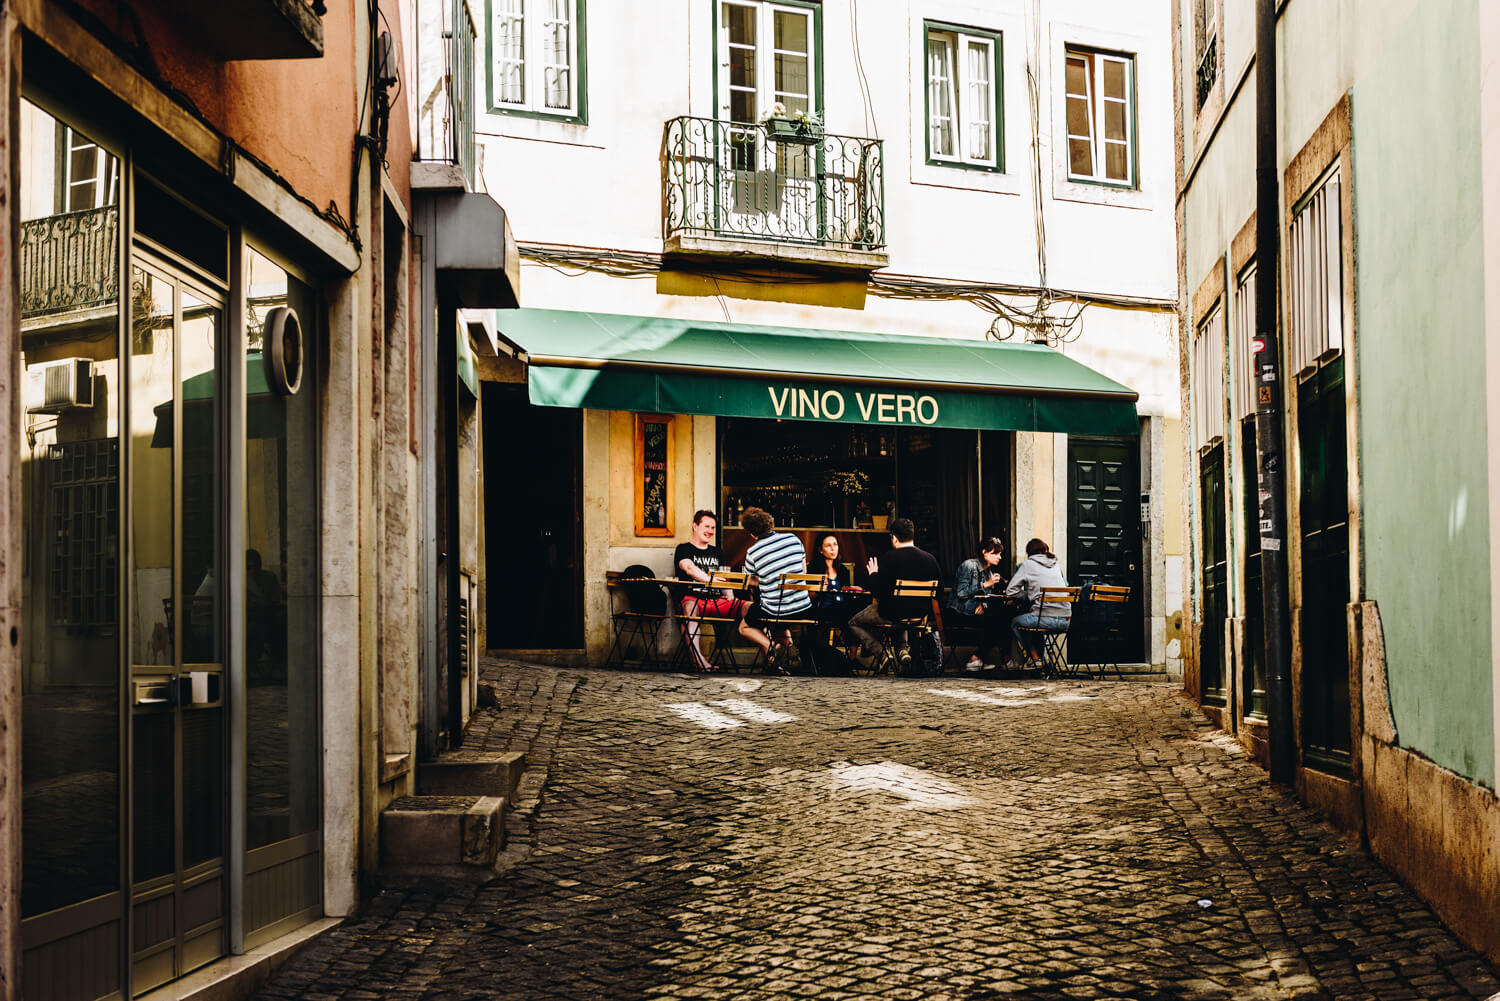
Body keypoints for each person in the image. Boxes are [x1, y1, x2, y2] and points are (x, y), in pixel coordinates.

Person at [847, 517, 942, 672]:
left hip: (893, 614)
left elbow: (879, 593)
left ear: (894, 538)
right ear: (912, 535)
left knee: (853, 623)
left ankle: (882, 654)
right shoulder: (931, 559)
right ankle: (902, 652)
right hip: (919, 616)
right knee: (900, 612)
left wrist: (873, 575)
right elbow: (939, 592)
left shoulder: (890, 557)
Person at [738, 506, 811, 671]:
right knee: (780, 623)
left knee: (743, 627)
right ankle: (790, 657)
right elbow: (803, 573)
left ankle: (774, 647)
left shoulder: (752, 553)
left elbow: (751, 581)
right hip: (802, 607)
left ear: (752, 533)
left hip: (775, 610)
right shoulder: (793, 539)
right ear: (770, 523)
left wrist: (768, 580)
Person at [674, 510, 745, 672]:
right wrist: (709, 580)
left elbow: (724, 578)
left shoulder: (717, 552)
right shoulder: (684, 549)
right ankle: (699, 662)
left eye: (713, 528)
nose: (710, 531)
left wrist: (731, 596)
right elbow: (689, 568)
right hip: (692, 599)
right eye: (706, 526)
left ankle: (771, 659)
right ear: (695, 526)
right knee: (689, 610)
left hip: (716, 601)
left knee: (750, 607)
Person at [947, 536, 1014, 672]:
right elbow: (961, 592)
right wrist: (985, 584)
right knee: (999, 620)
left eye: (1000, 554)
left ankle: (978, 659)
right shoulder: (969, 565)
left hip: (976, 612)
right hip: (959, 612)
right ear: (984, 552)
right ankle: (1003, 659)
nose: (999, 557)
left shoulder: (989, 572)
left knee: (1005, 616)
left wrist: (984, 605)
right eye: (995, 553)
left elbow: (986, 598)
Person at [1007, 538, 1072, 667]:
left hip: (1044, 618)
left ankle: (1035, 658)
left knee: (1015, 622)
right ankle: (1039, 662)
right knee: (1035, 624)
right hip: (1067, 620)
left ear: (1029, 553)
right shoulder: (1055, 564)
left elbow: (1010, 591)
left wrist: (1028, 595)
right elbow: (1065, 588)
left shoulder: (1028, 564)